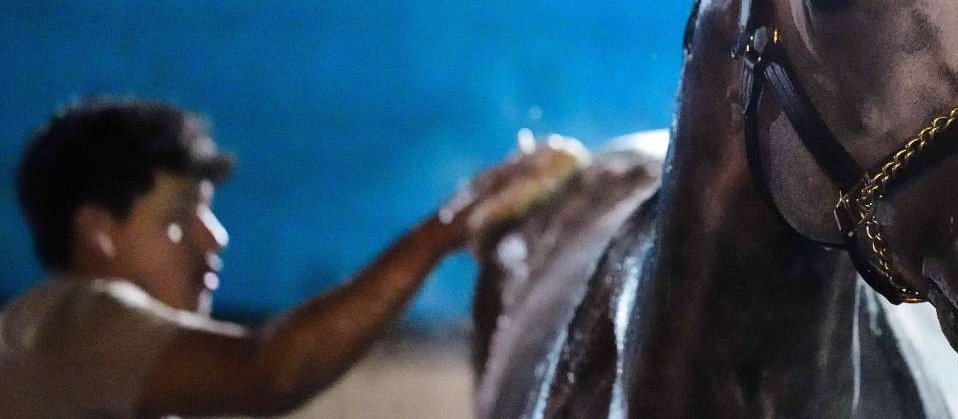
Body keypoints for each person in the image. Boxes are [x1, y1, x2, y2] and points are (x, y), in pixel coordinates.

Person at [0, 97, 586, 418]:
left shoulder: (98, 364)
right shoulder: (78, 320)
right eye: (179, 218)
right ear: (96, 233)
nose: (216, 238)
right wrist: (447, 229)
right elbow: (270, 372)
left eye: (209, 212)